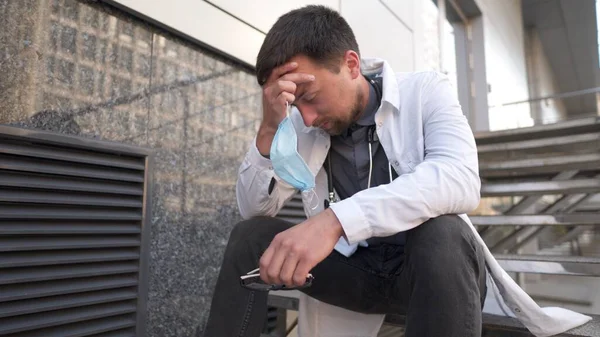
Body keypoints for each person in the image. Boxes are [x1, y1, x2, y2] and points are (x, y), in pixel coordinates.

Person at [201, 5, 591, 337]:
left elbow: (459, 178)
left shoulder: (425, 91)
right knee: (251, 236)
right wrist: (270, 127)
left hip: (428, 272)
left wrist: (335, 221)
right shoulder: (303, 125)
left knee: (444, 229)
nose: (306, 116)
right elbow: (255, 208)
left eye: (310, 97)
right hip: (354, 273)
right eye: (294, 105)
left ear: (350, 64)